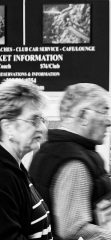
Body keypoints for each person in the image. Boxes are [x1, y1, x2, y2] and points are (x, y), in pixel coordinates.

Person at [29, 83, 111, 240]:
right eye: (104, 112)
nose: (110, 122)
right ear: (84, 116)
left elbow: (87, 190)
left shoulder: (54, 148)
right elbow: (72, 229)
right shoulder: (74, 162)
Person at [0, 79, 52, 239]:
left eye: (42, 120)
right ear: (7, 127)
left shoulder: (17, 169)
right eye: (34, 120)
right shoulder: (3, 177)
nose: (42, 128)